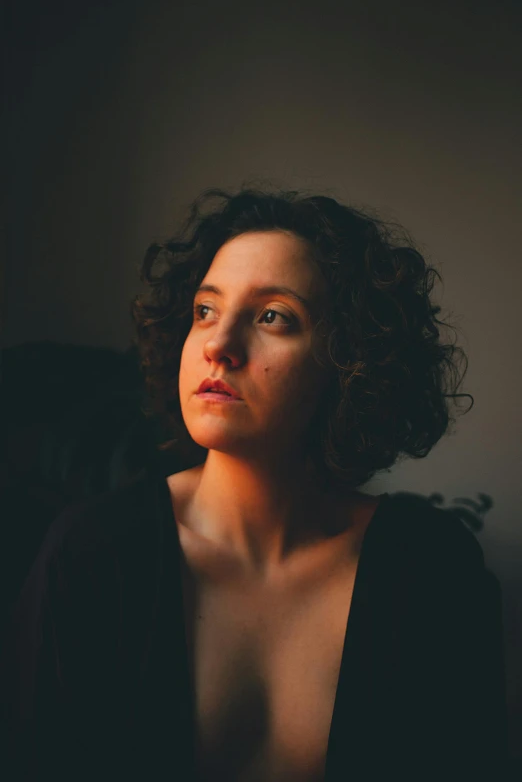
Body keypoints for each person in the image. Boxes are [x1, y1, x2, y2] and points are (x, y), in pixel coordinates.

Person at [1, 184, 508, 781]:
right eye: (205, 311)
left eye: (273, 316)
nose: (218, 344)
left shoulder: (433, 571)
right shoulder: (88, 556)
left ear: (350, 360)